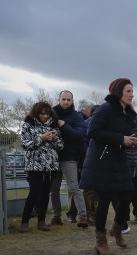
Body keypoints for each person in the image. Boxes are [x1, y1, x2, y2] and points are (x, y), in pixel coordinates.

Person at [80, 78, 137, 254]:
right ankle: (100, 240)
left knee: (128, 193)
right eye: (128, 91)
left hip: (120, 159)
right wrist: (121, 139)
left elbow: (132, 132)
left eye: (132, 91)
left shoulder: (129, 112)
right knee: (104, 200)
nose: (132, 94)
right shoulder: (105, 109)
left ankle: (117, 228)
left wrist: (135, 140)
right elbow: (92, 132)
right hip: (101, 161)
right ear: (118, 91)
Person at [19, 101, 64, 233]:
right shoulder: (28, 124)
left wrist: (55, 140)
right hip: (34, 165)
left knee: (45, 193)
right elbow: (24, 144)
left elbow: (61, 146)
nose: (45, 116)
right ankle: (24, 222)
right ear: (36, 113)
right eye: (42, 113)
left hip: (51, 165)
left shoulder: (54, 126)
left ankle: (42, 221)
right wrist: (41, 138)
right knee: (34, 193)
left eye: (47, 113)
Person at [48, 90, 89, 228]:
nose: (66, 102)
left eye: (68, 100)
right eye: (63, 99)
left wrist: (63, 125)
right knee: (54, 189)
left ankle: (83, 216)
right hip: (53, 157)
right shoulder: (50, 113)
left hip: (69, 156)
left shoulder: (76, 116)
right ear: (59, 99)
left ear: (72, 101)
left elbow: (79, 134)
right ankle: (56, 216)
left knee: (74, 187)